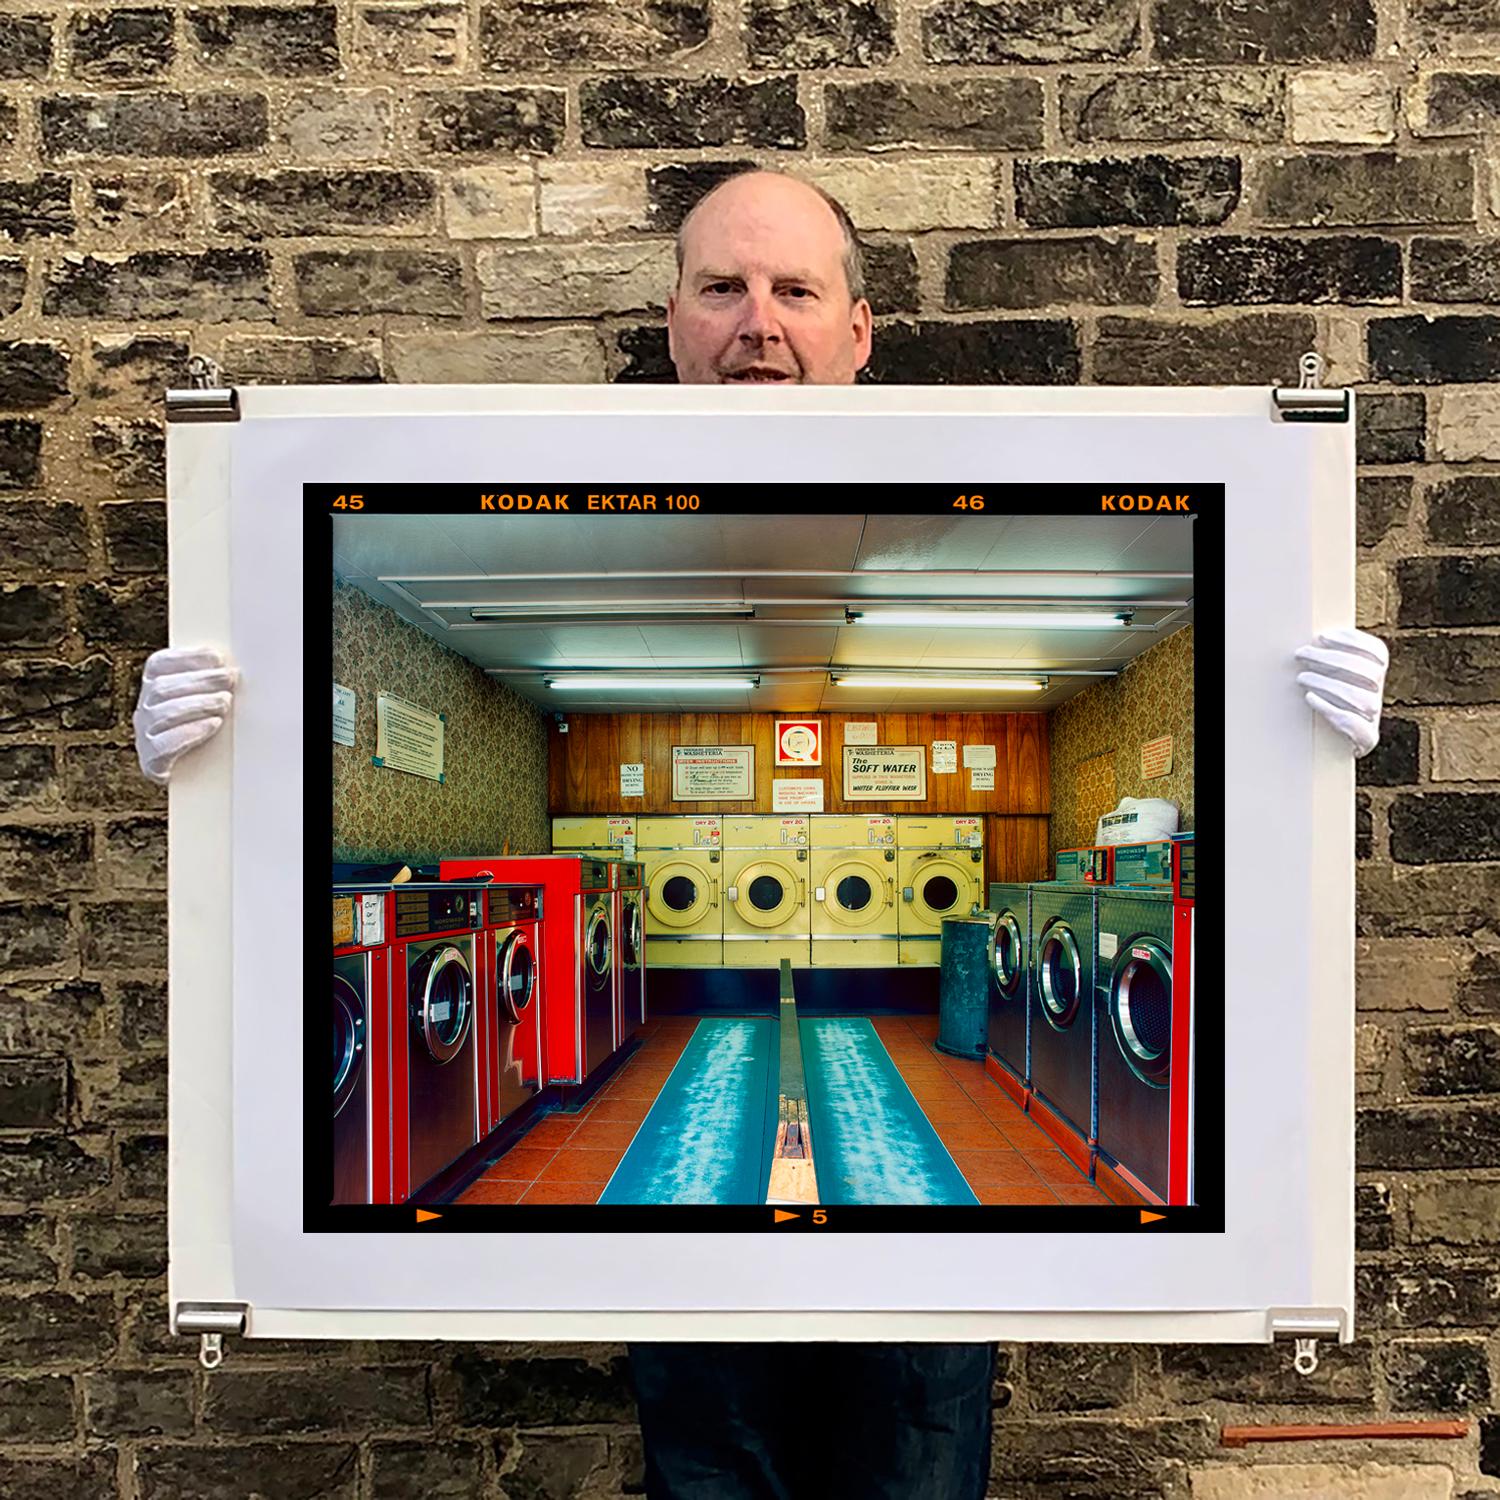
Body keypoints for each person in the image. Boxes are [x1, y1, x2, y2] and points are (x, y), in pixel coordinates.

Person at [135, 168, 1389, 1499]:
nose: (758, 322)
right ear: (672, 319)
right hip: (691, 1259)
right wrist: (224, 777)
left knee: (915, 1449)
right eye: (723, 287)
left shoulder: (997, 475)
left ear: (859, 330)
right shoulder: (540, 480)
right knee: (710, 1449)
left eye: (796, 289)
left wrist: (1296, 753)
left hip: (933, 1278)